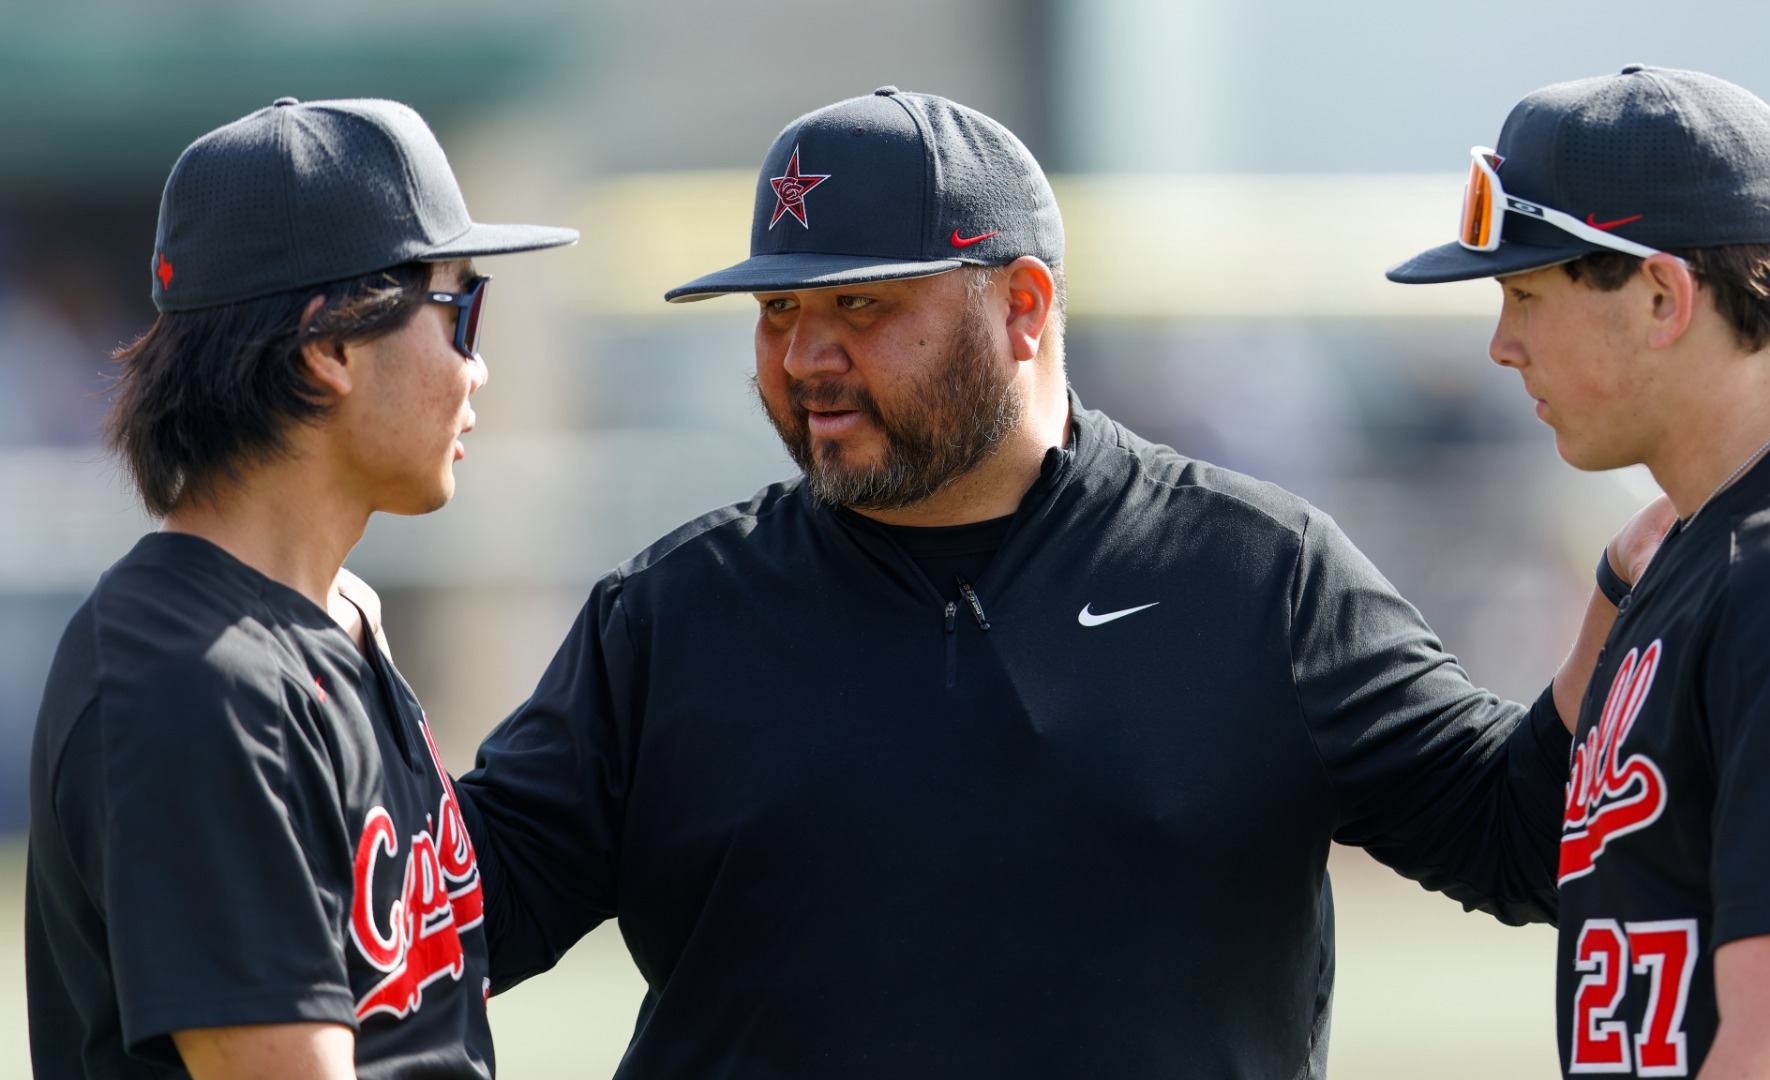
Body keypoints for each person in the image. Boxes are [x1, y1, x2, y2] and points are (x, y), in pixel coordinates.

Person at [456, 86, 1642, 1079]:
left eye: (861, 305)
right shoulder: (674, 611)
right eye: (778, 311)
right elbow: (453, 919)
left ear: (1022, 307)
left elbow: (1523, 837)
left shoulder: (1253, 572)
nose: (806, 355)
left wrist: (1626, 585)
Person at [25, 97, 576, 1079]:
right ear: (328, 347)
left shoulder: (338, 616)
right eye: (459, 309)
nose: (477, 367)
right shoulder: (189, 679)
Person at [1390, 65, 1770, 1078]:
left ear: (1664, 295)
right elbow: (1528, 846)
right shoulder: (1691, 562)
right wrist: (1615, 589)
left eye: (1527, 292)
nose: (1502, 345)